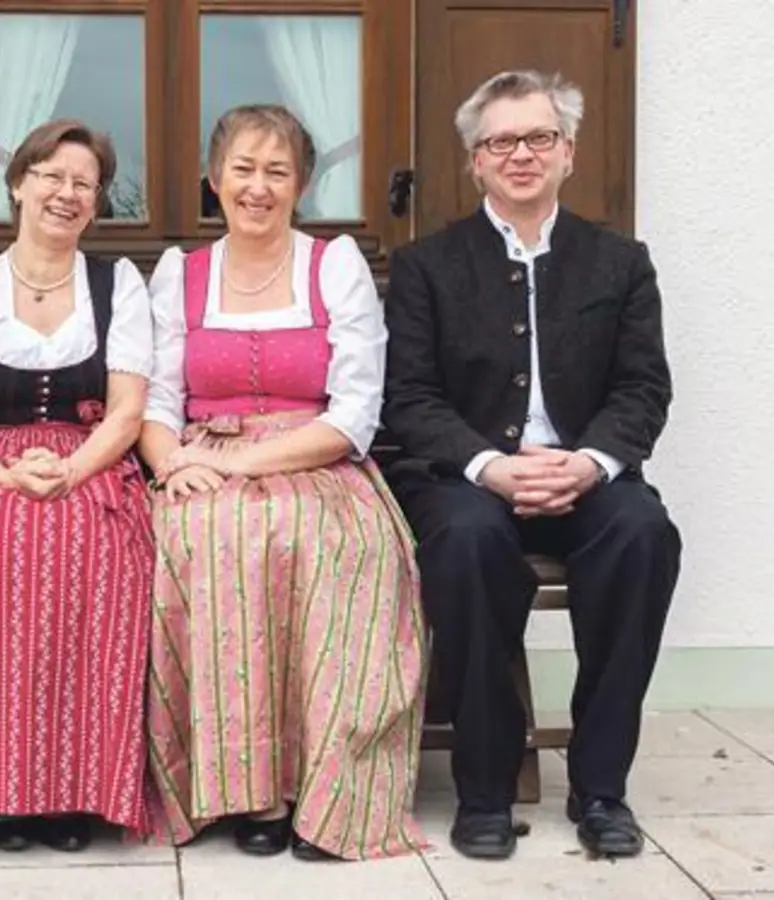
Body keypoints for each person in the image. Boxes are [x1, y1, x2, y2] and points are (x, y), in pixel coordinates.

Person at [380, 70, 682, 860]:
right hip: (467, 481)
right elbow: (407, 399)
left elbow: (644, 387)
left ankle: (601, 786)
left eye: (538, 137)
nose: (521, 154)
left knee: (643, 535)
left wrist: (589, 463)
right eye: (501, 141)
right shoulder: (426, 267)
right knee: (469, 545)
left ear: (569, 153)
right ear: (474, 161)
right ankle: (484, 790)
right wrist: (488, 464)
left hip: (587, 476)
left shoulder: (620, 263)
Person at [138, 104, 429, 862]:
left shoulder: (333, 265)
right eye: (243, 169)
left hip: (314, 458)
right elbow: (157, 399)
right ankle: (241, 786)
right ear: (214, 179)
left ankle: (328, 786)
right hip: (198, 458)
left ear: (301, 184)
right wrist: (172, 463)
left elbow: (355, 414)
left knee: (338, 548)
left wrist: (238, 464)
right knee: (192, 536)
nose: (258, 186)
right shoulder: (181, 273)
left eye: (277, 171)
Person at [0, 119, 156, 853]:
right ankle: (0, 787)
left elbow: (128, 411)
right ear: (17, 183)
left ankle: (76, 788)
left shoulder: (118, 285)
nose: (65, 193)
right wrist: (11, 474)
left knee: (96, 551)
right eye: (50, 176)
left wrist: (73, 471)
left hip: (93, 457)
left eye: (83, 183)